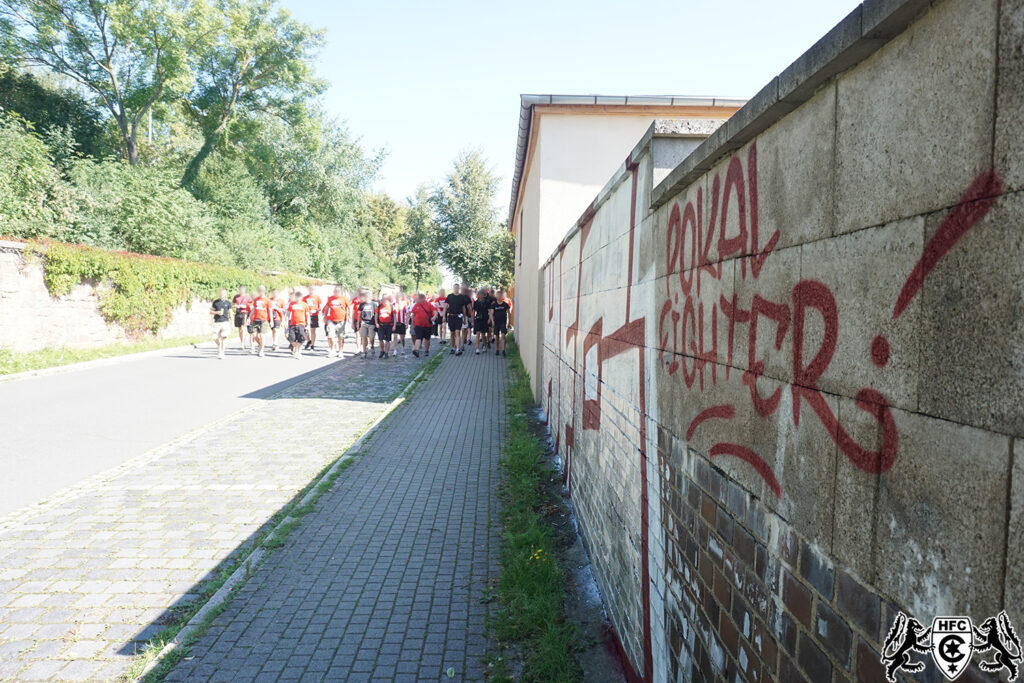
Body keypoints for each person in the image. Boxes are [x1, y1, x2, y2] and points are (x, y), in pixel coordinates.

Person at [323, 286, 350, 359]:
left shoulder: (344, 299)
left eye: (337, 292)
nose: (335, 293)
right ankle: (332, 350)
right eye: (334, 291)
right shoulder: (330, 299)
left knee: (340, 337)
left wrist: (348, 317)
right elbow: (326, 308)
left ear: (340, 292)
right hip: (331, 320)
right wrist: (324, 317)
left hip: (341, 320)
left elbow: (348, 308)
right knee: (330, 335)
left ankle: (340, 351)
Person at [248, 286, 273, 357]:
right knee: (254, 334)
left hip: (264, 320)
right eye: (259, 290)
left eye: (262, 290)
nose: (260, 292)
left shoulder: (267, 300)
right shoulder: (256, 300)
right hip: (256, 319)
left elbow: (270, 311)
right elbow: (253, 310)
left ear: (264, 291)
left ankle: (261, 350)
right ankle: (261, 345)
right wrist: (249, 318)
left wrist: (271, 321)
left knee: (262, 335)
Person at [445, 285, 470, 356]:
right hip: (451, 316)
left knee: (458, 332)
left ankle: (457, 348)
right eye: (454, 288)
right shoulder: (449, 296)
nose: (456, 289)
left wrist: (464, 318)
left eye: (457, 288)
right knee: (452, 333)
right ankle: (452, 347)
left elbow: (464, 308)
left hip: (459, 316)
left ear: (458, 288)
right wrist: (444, 316)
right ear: (453, 288)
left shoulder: (461, 297)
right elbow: (445, 306)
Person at [410, 292, 435, 358]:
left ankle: (426, 351)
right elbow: (413, 315)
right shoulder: (416, 305)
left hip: (427, 325)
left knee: (427, 339)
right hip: (418, 325)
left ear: (423, 298)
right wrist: (413, 323)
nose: (417, 300)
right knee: (418, 337)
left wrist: (434, 317)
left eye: (418, 299)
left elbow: (435, 312)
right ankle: (416, 350)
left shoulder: (429, 305)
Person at [285, 291, 310, 358]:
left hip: (301, 324)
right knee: (292, 339)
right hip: (293, 324)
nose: (298, 298)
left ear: (301, 297)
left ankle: (298, 351)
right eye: (296, 297)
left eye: (299, 297)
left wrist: (308, 325)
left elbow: (307, 315)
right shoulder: (292, 304)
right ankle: (297, 348)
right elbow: (287, 314)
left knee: (301, 338)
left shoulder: (304, 305)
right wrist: (286, 322)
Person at [210, 289, 232, 360]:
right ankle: (219, 346)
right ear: (219, 294)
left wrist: (231, 323)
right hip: (217, 322)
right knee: (214, 337)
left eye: (223, 293)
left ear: (225, 294)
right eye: (221, 293)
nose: (222, 295)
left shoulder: (228, 303)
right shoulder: (215, 302)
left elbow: (230, 313)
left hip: (225, 322)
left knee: (223, 337)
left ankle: (222, 352)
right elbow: (211, 311)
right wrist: (217, 312)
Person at [355, 289, 377, 359]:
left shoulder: (374, 304)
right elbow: (359, 314)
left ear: (370, 297)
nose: (365, 298)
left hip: (372, 323)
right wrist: (358, 323)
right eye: (365, 297)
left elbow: (376, 314)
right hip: (364, 323)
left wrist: (376, 323)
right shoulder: (362, 304)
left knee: (371, 338)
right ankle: (364, 352)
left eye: (367, 297)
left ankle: (372, 346)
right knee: (363, 337)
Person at [490, 289, 512, 356]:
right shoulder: (494, 305)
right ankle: (497, 350)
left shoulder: (505, 304)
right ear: (496, 296)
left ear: (502, 296)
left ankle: (503, 350)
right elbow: (491, 313)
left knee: (503, 336)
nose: (499, 297)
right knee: (496, 336)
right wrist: (492, 321)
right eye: (498, 296)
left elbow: (509, 313)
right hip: (496, 322)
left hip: (503, 322)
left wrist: (509, 322)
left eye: (500, 296)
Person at [375, 292, 396, 359]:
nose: (384, 302)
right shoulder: (379, 307)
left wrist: (394, 325)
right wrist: (376, 323)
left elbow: (395, 317)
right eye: (383, 300)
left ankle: (386, 353)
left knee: (388, 339)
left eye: (386, 300)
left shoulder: (391, 307)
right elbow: (376, 315)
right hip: (381, 325)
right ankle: (382, 351)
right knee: (380, 339)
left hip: (389, 325)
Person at [232, 286, 252, 350]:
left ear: (245, 290)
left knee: (243, 328)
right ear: (239, 289)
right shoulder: (236, 297)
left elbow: (251, 306)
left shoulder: (248, 297)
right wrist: (236, 306)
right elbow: (232, 305)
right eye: (240, 289)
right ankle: (241, 342)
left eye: (243, 289)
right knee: (240, 329)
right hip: (238, 313)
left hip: (245, 313)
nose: (241, 290)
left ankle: (243, 344)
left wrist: (244, 306)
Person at [472, 287, 491, 354]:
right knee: (477, 334)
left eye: (481, 294)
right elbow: (473, 312)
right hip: (478, 319)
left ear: (483, 295)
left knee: (483, 335)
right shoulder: (476, 302)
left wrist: (489, 319)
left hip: (485, 319)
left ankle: (484, 346)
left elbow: (490, 311)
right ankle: (477, 348)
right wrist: (472, 320)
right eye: (479, 294)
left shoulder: (487, 302)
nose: (480, 296)